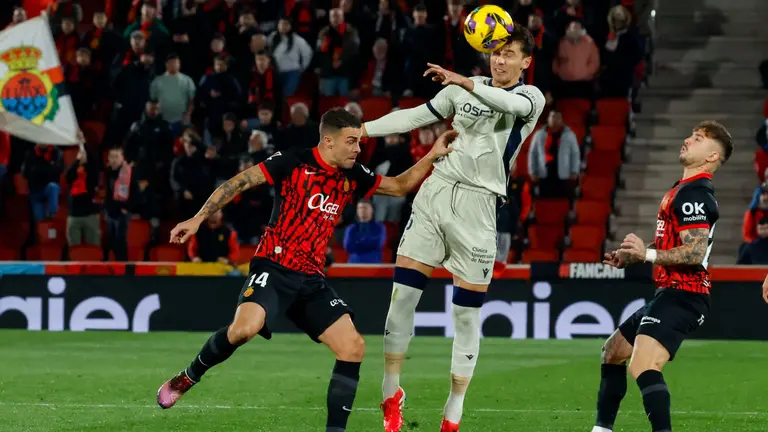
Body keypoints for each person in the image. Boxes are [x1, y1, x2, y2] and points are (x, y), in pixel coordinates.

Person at [156, 108, 457, 432]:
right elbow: (239, 182)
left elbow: (398, 186)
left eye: (358, 141)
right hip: (274, 266)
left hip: (311, 278)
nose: (358, 148)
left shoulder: (352, 173)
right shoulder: (292, 161)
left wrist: (432, 154)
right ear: (328, 141)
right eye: (351, 141)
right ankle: (188, 377)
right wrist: (198, 218)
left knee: (353, 347)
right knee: (244, 329)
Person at [361, 26, 545, 432]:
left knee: (465, 315)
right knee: (401, 299)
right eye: (495, 52)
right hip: (436, 193)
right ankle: (390, 393)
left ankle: (453, 412)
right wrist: (363, 130)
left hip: (480, 207)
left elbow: (505, 103)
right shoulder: (463, 89)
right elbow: (415, 116)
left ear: (525, 61)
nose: (499, 60)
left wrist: (462, 81)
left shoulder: (531, 97)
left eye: (509, 54)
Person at [594, 121, 733, 432]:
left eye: (698, 139)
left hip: (686, 294)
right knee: (613, 352)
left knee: (643, 364)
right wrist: (634, 256)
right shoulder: (682, 189)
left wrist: (647, 255)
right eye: (692, 135)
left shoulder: (696, 194)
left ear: (712, 156)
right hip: (671, 291)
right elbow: (675, 244)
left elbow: (694, 252)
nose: (688, 140)